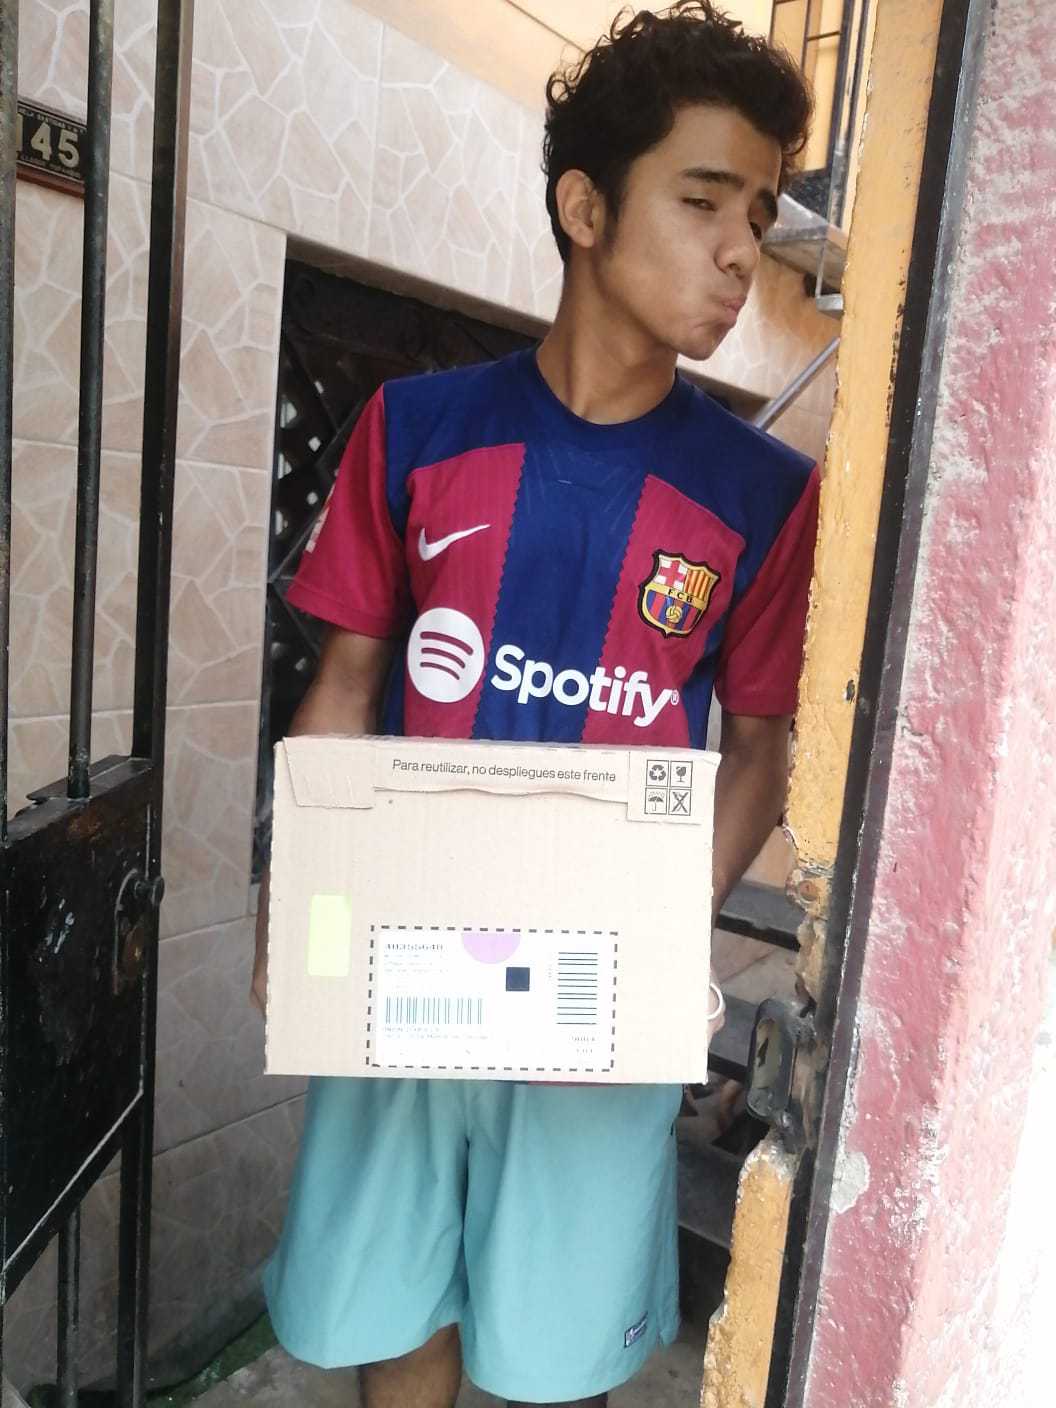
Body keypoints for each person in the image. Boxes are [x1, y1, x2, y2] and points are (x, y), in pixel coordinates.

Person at [253, 4, 817, 1405]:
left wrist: (657, 936)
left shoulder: (763, 497)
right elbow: (343, 686)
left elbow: (759, 749)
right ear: (585, 206)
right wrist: (303, 909)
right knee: (399, 1310)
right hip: (410, 963)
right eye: (703, 201)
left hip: (589, 1001)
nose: (741, 252)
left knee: (556, 1353)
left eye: (758, 215)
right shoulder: (418, 431)